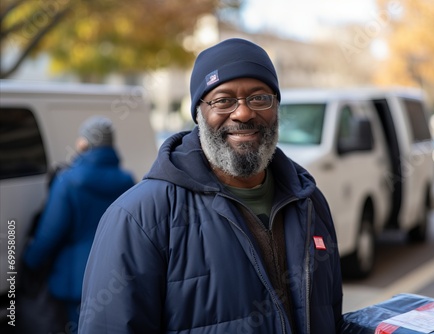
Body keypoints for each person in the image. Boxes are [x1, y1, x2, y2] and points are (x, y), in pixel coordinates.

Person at [79, 38, 343, 334]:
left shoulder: (310, 204)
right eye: (223, 100)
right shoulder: (139, 218)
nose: (243, 113)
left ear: (276, 107)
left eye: (259, 98)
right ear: (198, 113)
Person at [22, 116, 135, 333]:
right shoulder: (127, 180)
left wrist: (29, 263)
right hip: (115, 276)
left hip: (75, 280)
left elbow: (49, 235)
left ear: (84, 143)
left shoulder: (69, 181)